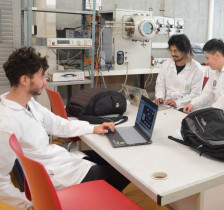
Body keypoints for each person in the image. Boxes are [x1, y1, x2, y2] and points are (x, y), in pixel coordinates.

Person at [0, 47, 130, 209]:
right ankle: (100, 201)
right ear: (25, 80)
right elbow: (1, 182)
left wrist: (93, 128)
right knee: (126, 172)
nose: (45, 82)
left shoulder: (28, 102)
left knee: (115, 160)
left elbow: (57, 124)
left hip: (59, 161)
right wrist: (30, 205)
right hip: (52, 178)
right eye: (41, 77)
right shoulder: (6, 122)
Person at [154, 34, 204, 109]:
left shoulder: (197, 69)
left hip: (185, 107)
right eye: (171, 50)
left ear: (186, 51)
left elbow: (195, 94)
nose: (173, 54)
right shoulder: (166, 64)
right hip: (166, 104)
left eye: (176, 51)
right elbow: (160, 84)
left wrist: (177, 103)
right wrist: (159, 97)